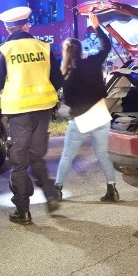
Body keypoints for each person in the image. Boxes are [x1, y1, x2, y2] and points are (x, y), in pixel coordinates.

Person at [0, 6, 63, 225]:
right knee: (36, 155)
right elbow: (58, 80)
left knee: (19, 161)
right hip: (43, 109)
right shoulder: (44, 47)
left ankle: (23, 211)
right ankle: (50, 194)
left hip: (18, 111)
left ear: (7, 27)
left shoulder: (4, 50)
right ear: (26, 25)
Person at [54, 11, 120, 202]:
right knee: (102, 154)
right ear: (81, 50)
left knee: (67, 156)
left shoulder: (66, 75)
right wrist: (96, 26)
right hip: (100, 114)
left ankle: (57, 189)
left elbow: (68, 100)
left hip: (81, 119)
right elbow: (107, 46)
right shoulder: (92, 62)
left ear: (66, 53)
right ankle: (112, 190)